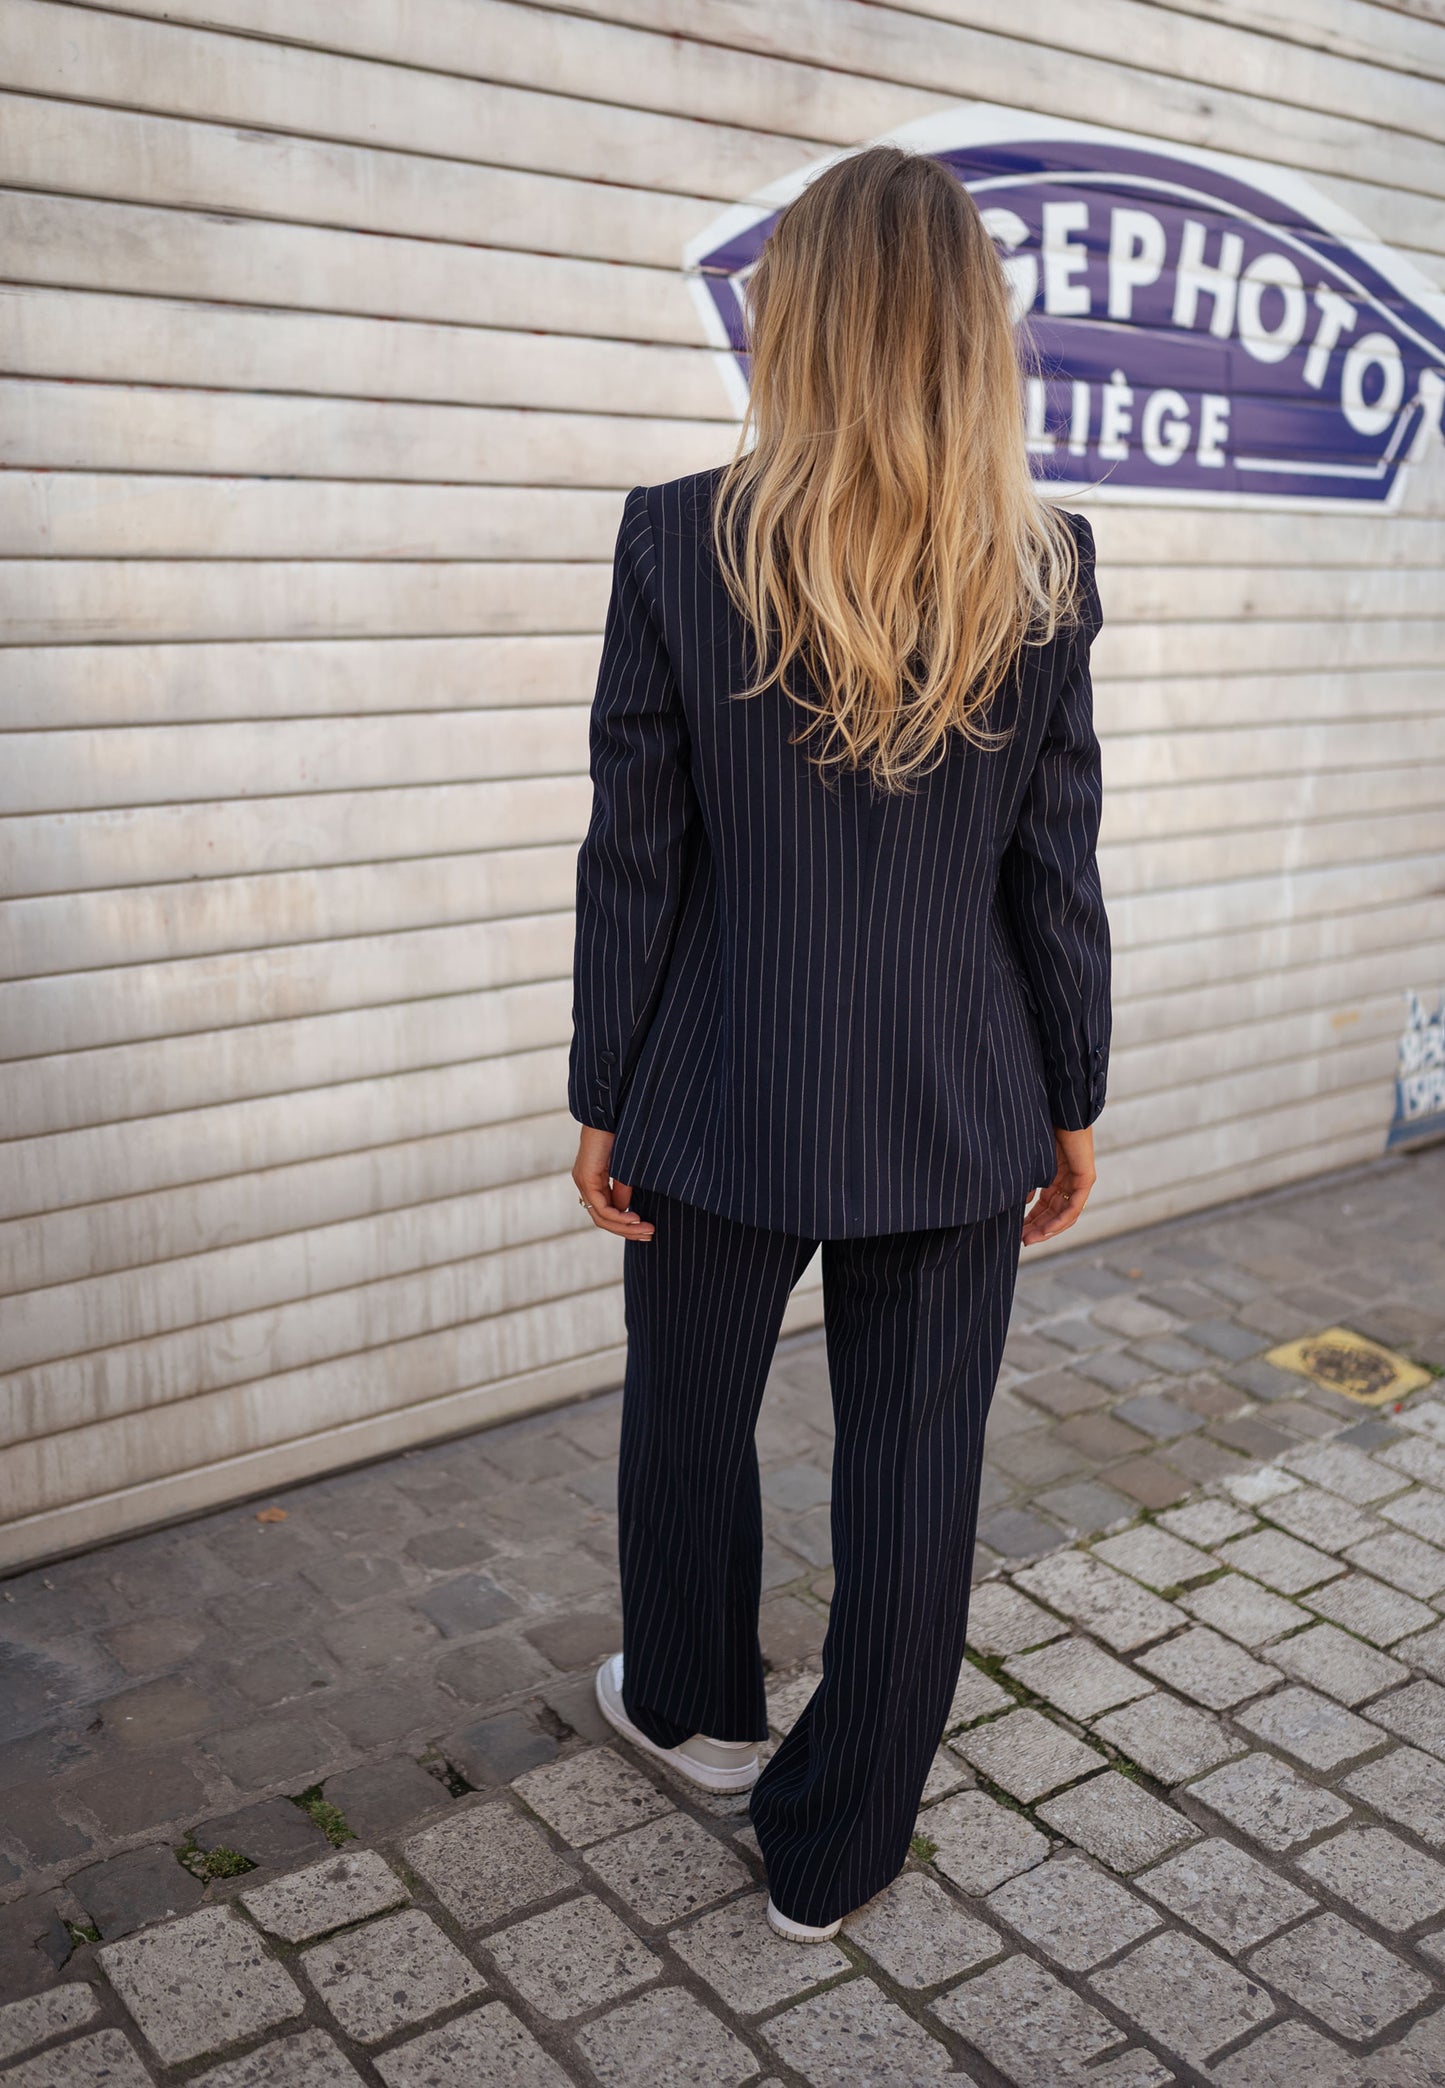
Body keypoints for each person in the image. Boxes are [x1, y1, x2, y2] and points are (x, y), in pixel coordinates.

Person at [568, 145, 1110, 1941]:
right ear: (977, 333)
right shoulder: (1043, 564)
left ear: (791, 321)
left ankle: (699, 1711)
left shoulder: (675, 535)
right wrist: (1071, 1093)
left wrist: (602, 1090)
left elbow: (636, 851)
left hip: (723, 1089)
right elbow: (1054, 861)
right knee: (914, 1467)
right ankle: (837, 1847)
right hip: (962, 1100)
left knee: (687, 1414)